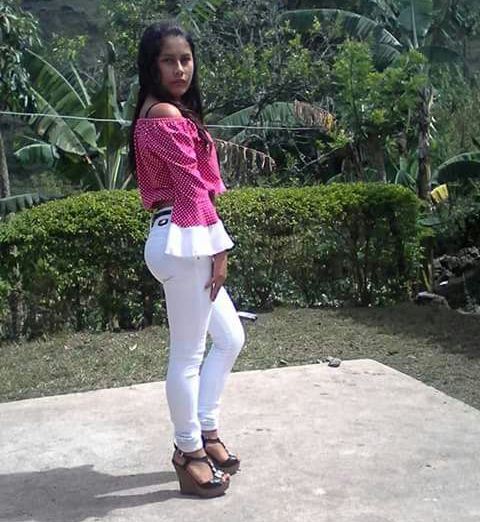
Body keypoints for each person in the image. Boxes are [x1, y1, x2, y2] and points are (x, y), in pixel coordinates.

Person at [129, 20, 245, 498]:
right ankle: (188, 451)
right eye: (168, 60)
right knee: (188, 355)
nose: (180, 68)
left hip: (182, 236)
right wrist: (220, 248)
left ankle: (206, 429)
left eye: (186, 59)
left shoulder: (170, 112)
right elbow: (191, 186)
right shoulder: (163, 115)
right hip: (183, 239)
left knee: (230, 338)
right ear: (152, 66)